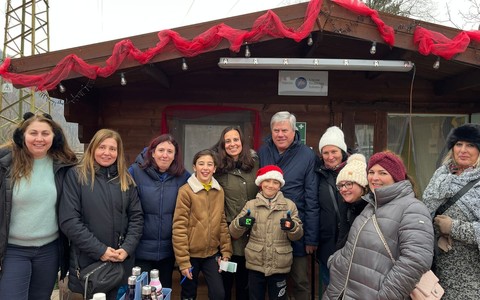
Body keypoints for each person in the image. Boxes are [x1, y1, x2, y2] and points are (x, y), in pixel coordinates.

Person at [323, 151, 434, 299]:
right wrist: (336, 262)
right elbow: (354, 245)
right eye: (371, 172)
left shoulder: (413, 208)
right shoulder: (371, 206)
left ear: (396, 177)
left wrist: (386, 296)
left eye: (382, 173)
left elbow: (415, 261)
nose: (375, 178)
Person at [0, 112, 78, 300]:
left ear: (54, 137)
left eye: (45, 133)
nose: (39, 139)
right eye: (33, 133)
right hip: (13, 250)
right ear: (22, 135)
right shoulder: (5, 163)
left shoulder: (63, 166)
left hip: (49, 250)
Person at [59, 129, 144, 300]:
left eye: (112, 149)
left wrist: (126, 249)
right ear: (92, 149)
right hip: (87, 264)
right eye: (102, 147)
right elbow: (69, 221)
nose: (107, 153)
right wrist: (100, 250)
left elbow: (137, 217)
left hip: (121, 264)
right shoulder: (76, 176)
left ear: (118, 153)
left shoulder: (125, 179)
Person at [258, 111, 318, 300]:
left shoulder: (307, 155)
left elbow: (311, 197)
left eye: (284, 130)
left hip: (296, 229)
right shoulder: (263, 151)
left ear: (294, 132)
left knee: (300, 280)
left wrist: (311, 238)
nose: (280, 134)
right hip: (267, 229)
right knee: (272, 281)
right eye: (276, 130)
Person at [423, 123, 480, 300]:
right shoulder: (441, 175)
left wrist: (453, 227)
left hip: (471, 279)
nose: (463, 150)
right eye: (458, 144)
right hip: (435, 274)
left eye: (470, 145)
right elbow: (424, 210)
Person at [229, 165, 303, 300]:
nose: (270, 185)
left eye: (275, 182)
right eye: (267, 181)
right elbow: (234, 233)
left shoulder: (289, 205)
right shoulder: (251, 205)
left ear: (280, 186)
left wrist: (292, 227)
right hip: (256, 264)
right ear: (260, 183)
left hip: (280, 264)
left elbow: (297, 235)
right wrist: (241, 223)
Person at [129, 134, 189, 288]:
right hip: (141, 248)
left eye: (170, 151)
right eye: (161, 150)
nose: (165, 155)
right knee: (141, 293)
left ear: (175, 156)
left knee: (163, 292)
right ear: (152, 152)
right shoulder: (135, 172)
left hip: (168, 251)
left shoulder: (183, 177)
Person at [172, 149, 232, 300]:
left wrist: (226, 252)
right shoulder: (185, 191)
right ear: (194, 167)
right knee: (188, 294)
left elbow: (222, 223)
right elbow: (179, 227)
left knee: (219, 294)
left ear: (214, 168)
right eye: (201, 164)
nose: (205, 168)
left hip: (211, 254)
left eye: (209, 164)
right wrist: (183, 262)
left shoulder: (219, 191)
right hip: (190, 256)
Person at [211, 126, 259, 300]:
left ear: (242, 142)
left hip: (252, 237)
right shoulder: (218, 169)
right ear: (223, 145)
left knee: (245, 287)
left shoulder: (254, 164)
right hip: (227, 238)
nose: (232, 144)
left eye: (235, 140)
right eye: (228, 141)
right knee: (223, 286)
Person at [315, 126, 352, 287]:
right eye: (326, 152)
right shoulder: (318, 174)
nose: (330, 157)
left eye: (334, 152)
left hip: (350, 244)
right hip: (326, 245)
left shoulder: (354, 173)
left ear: (342, 152)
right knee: (330, 288)